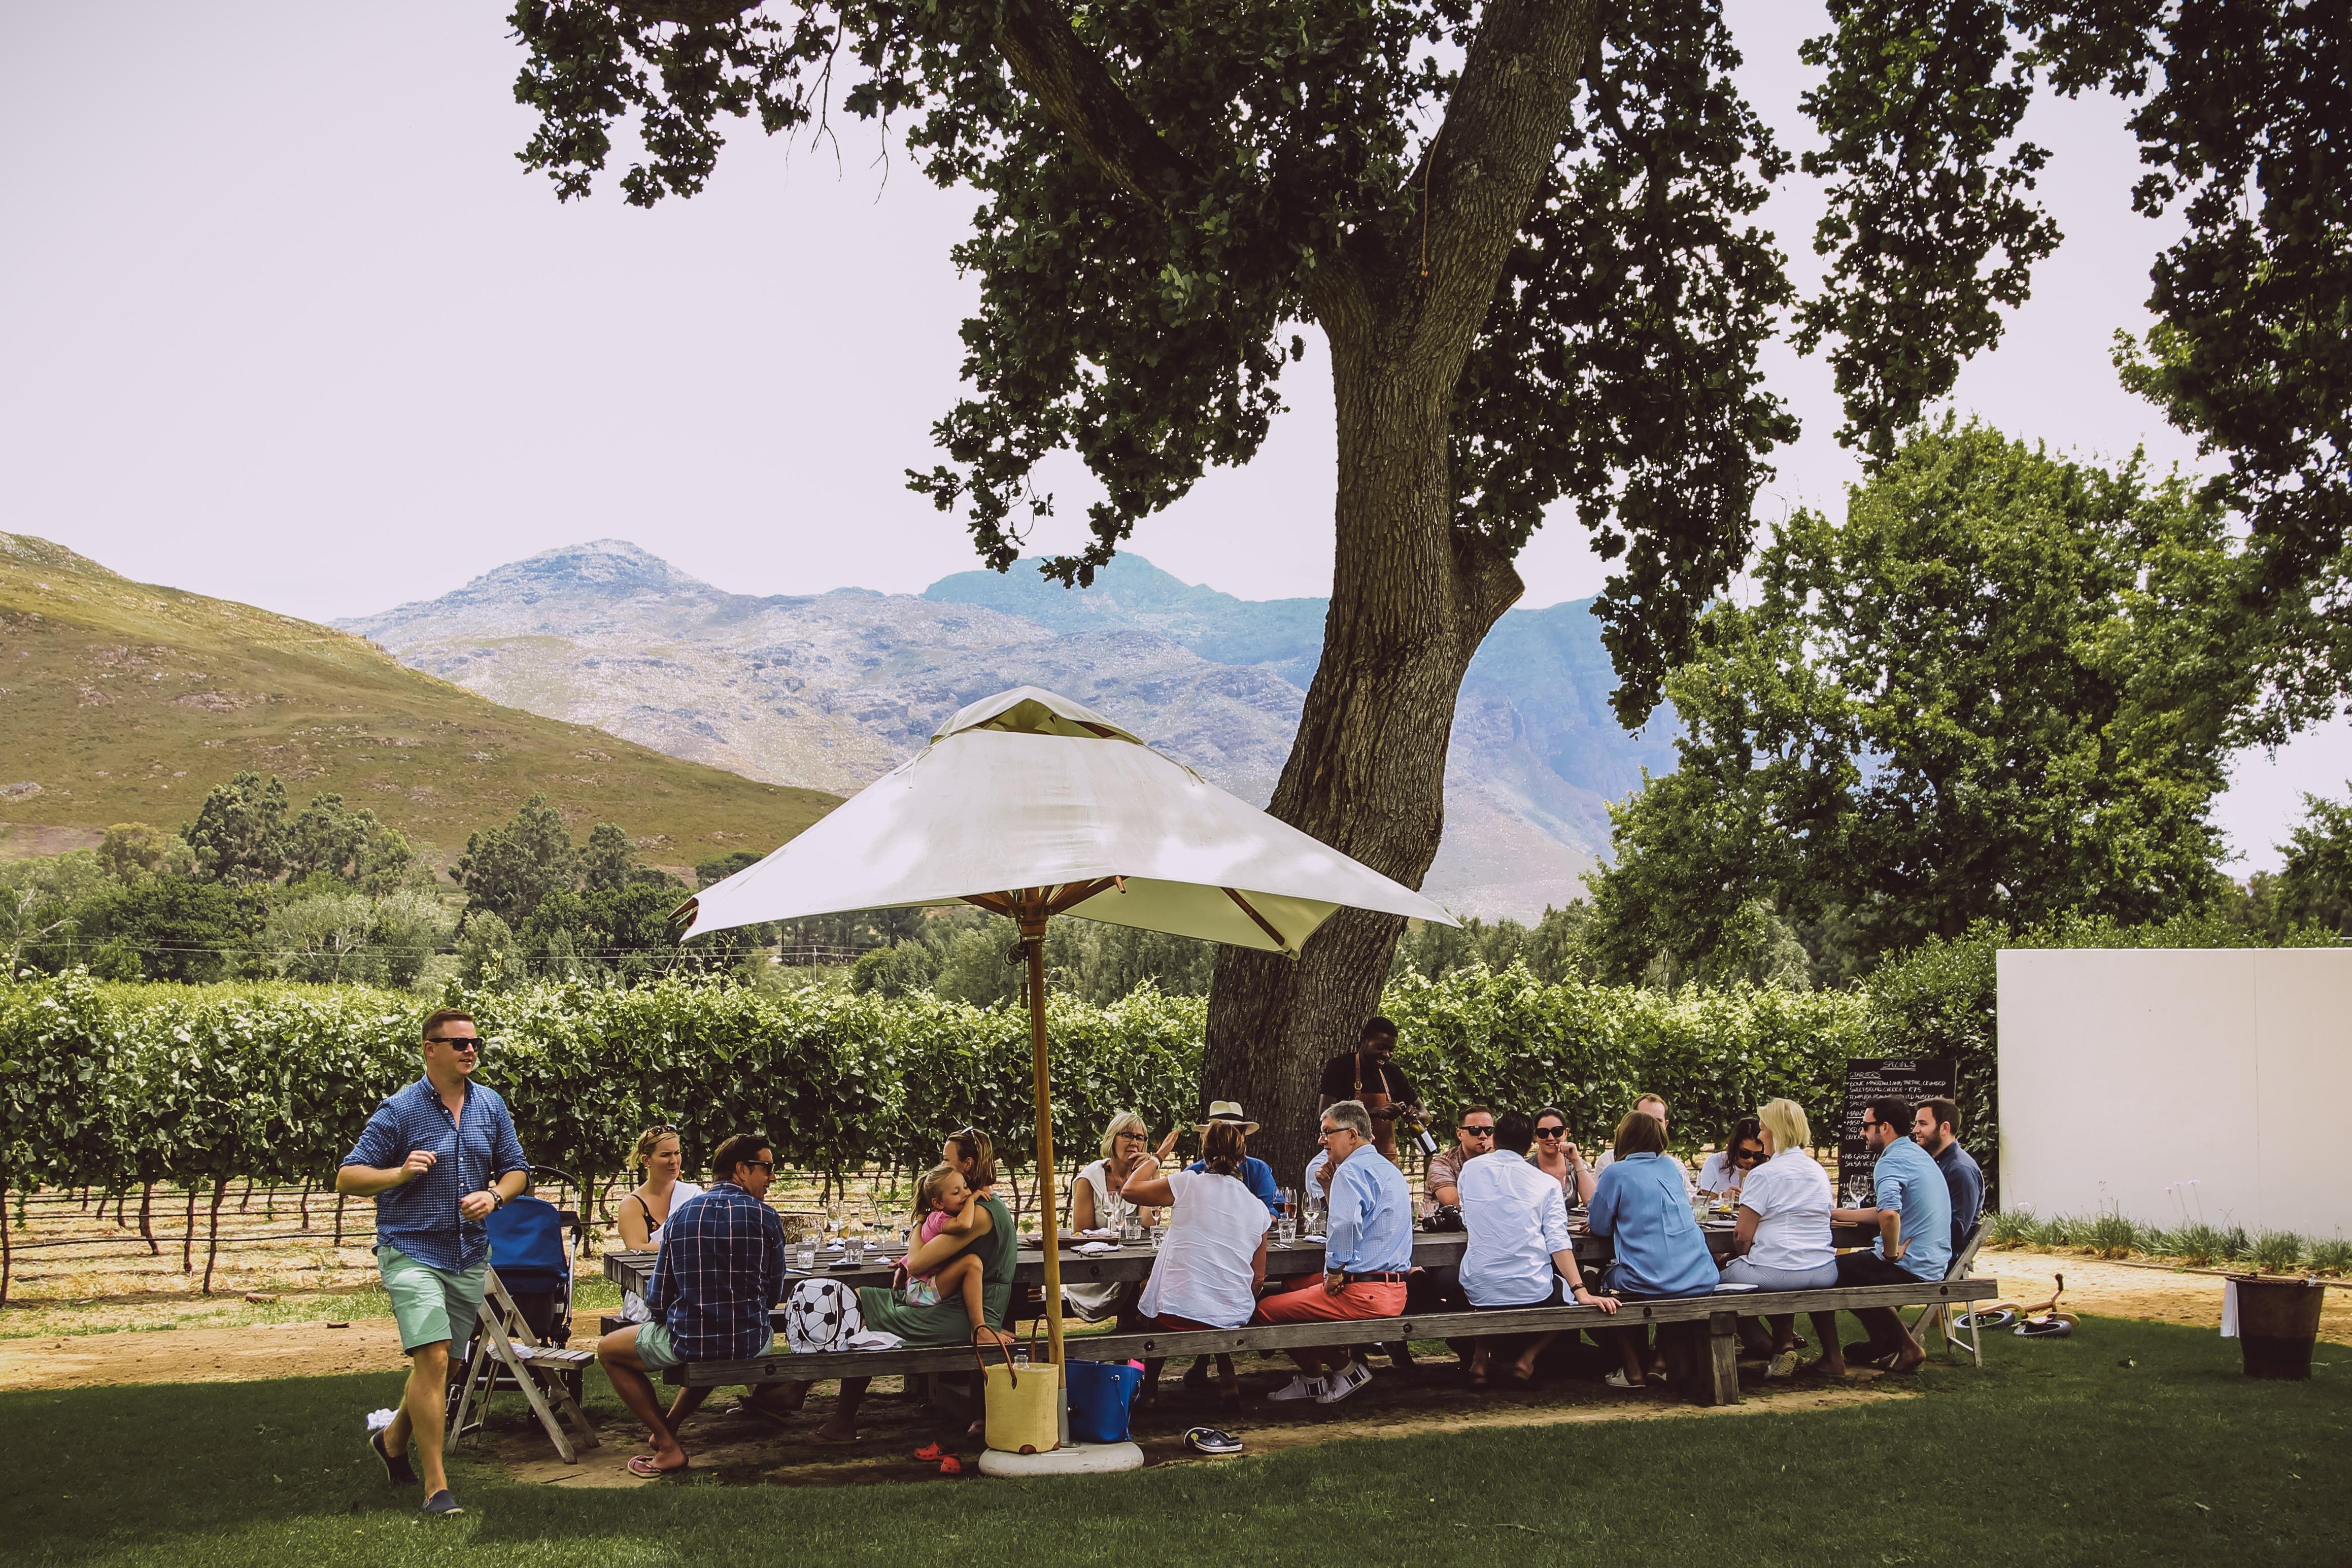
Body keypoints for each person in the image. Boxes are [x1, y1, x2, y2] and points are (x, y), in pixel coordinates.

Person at [338, 1007, 528, 1517]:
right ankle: (436, 1487)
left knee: (450, 1363)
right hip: (411, 1250)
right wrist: (399, 1174)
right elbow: (348, 1177)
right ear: (430, 1049)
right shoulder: (400, 1110)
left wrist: (495, 1196)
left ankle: (390, 1440)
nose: (471, 1050)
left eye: (475, 1043)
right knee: (435, 1358)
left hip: (467, 1252)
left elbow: (517, 1169)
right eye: (459, 1043)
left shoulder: (490, 1104)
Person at [595, 1133, 795, 1476]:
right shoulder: (767, 1218)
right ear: (742, 1170)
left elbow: (658, 1297)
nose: (772, 1177)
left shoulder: (682, 1215)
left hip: (694, 1338)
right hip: (751, 1340)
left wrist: (676, 1316)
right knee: (713, 1341)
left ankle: (667, 1444)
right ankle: (670, 1426)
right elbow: (775, 1292)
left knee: (609, 1350)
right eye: (767, 1167)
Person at [821, 1127, 1018, 1443]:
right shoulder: (978, 1205)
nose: (941, 1165)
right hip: (955, 1301)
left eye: (946, 1160)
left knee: (868, 1318)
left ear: (967, 1165)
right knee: (860, 1299)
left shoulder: (979, 1213)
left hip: (970, 1314)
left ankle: (836, 1418)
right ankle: (814, 1402)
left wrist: (917, 1226)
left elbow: (918, 1264)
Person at [1256, 1100, 1413, 1404]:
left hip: (1363, 1293)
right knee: (1291, 1284)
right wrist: (1329, 1189)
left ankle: (1346, 1369)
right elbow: (1361, 1219)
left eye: (1328, 1132)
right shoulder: (1388, 1169)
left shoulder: (1350, 1171)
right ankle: (1312, 1380)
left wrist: (1336, 1272)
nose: (1321, 1140)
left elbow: (1345, 1226)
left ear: (1352, 1135)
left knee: (1265, 1310)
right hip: (1394, 1289)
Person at [1457, 1110, 1618, 1387]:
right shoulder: (1546, 1184)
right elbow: (1558, 1241)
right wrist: (1580, 1290)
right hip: (1531, 1288)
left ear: (1494, 1138)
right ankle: (1527, 1359)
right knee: (1566, 1294)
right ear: (1530, 1144)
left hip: (1479, 1284)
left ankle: (1480, 1360)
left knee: (1488, 1291)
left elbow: (1467, 1214)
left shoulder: (1470, 1171)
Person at [1120, 1118, 1273, 1408]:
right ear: (1242, 1158)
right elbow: (1258, 1279)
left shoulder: (1188, 1184)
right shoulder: (1259, 1209)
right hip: (1232, 1314)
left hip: (1176, 1314)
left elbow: (1130, 1190)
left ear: (1204, 1155)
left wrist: (1158, 1157)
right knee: (1212, 1306)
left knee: (1161, 1306)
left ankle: (1149, 1390)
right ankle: (1228, 1381)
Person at [1811, 1097, 1952, 1376]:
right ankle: (1886, 1340)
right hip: (1933, 1261)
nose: (1862, 1132)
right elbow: (1888, 1211)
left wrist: (1889, 1254)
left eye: (1866, 1126)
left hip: (1909, 1264)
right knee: (1852, 1272)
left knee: (1817, 1275)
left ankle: (1834, 1359)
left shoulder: (1891, 1161)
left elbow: (1889, 1216)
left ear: (1884, 1127)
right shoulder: (1915, 1155)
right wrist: (1834, 1213)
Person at [1587, 1108, 1719, 1388]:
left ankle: (1632, 1368)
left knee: (1599, 1282)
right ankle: (1660, 1361)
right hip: (1699, 1275)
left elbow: (1598, 1226)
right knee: (1668, 1283)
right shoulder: (1670, 1168)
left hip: (1649, 1279)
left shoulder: (1616, 1172)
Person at [1718, 1098, 1838, 1377]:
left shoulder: (1764, 1174)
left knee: (1708, 1282)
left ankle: (1765, 1344)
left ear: (1775, 1132)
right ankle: (1783, 1346)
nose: (1760, 1135)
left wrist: (1741, 1255)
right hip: (1823, 1270)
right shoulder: (1818, 1171)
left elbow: (1742, 1234)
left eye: (1763, 1129)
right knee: (1777, 1267)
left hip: (1779, 1272)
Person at [1068, 1111, 1175, 1321]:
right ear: (1112, 1138)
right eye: (1127, 1135)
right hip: (1096, 1271)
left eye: (1140, 1137)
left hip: (1132, 1268)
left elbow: (1147, 1222)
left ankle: (1133, 1333)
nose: (1135, 1143)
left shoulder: (1141, 1178)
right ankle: (1132, 1332)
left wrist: (1152, 1170)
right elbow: (1081, 1232)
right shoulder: (1089, 1179)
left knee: (1152, 1279)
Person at [616, 1125, 705, 1325]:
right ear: (646, 1160)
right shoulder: (633, 1204)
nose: (674, 1161)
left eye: (677, 1153)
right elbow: (637, 1247)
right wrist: (685, 1246)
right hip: (650, 1286)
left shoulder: (694, 1196)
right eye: (665, 1155)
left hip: (694, 1281)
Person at [1318, 1016, 1424, 1163]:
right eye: (1381, 1048)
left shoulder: (1392, 1072)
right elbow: (1325, 1113)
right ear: (1364, 1042)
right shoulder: (1340, 1067)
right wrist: (1374, 1112)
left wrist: (1414, 1115)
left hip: (1386, 1160)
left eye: (1391, 1050)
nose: (1387, 1054)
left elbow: (1426, 1115)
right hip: (1349, 1159)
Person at [904, 1163, 992, 1325]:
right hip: (921, 1292)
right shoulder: (939, 1218)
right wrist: (972, 1200)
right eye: (956, 1192)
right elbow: (964, 1225)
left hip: (922, 1286)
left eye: (966, 1187)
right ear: (938, 1203)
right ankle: (979, 1326)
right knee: (972, 1263)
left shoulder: (939, 1216)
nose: (965, 1194)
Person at [1589, 1094, 1694, 1202]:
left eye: (1658, 1121)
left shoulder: (1676, 1167)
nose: (1651, 1127)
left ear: (1666, 1125)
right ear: (1632, 1122)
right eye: (1644, 1120)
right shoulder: (1608, 1161)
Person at [1913, 1097, 1984, 1255]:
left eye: (1923, 1124)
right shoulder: (1939, 1163)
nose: (1915, 1130)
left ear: (1945, 1128)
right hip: (1926, 1253)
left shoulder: (1961, 1170)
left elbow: (1957, 1230)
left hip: (1938, 1259)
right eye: (1916, 1123)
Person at [1186, 1102, 1285, 1212]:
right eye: (1221, 1132)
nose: (1229, 1137)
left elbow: (1277, 1210)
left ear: (1243, 1136)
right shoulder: (1192, 1173)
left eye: (1236, 1131)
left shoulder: (1259, 1170)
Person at [1425, 1105, 1495, 1209]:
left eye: (1489, 1130)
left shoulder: (1498, 1160)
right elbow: (1455, 1203)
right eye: (1475, 1130)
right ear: (1460, 1134)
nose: (1483, 1136)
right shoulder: (1442, 1164)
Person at [1528, 1107, 1592, 1202]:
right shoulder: (1527, 1168)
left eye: (1557, 1132)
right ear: (1535, 1136)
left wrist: (1577, 1162)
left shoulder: (1575, 1166)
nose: (1550, 1138)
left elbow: (1592, 1202)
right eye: (1543, 1133)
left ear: (1566, 1133)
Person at [1696, 1117, 1764, 1201]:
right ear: (1735, 1146)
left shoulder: (1767, 1166)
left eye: (1757, 1155)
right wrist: (1724, 1197)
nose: (1751, 1160)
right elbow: (1707, 1201)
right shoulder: (1715, 1162)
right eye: (1745, 1153)